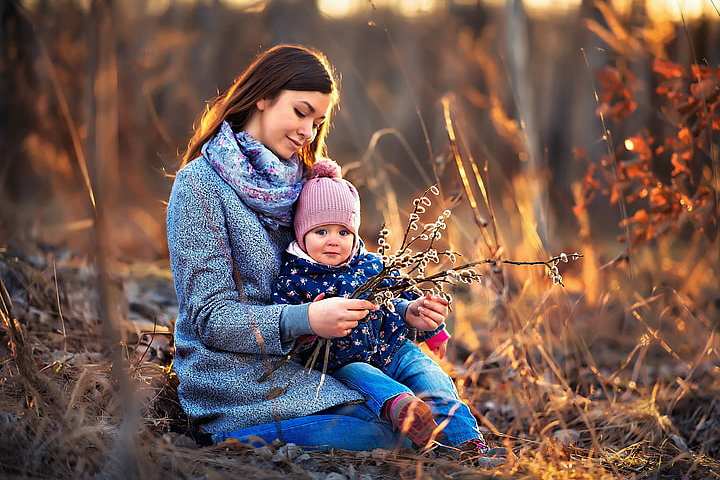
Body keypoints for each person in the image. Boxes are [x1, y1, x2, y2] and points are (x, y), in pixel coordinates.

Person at [167, 44, 409, 451]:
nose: (308, 132)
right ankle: (226, 438)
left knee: (424, 407)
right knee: (386, 434)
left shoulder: (308, 185)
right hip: (235, 381)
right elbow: (210, 316)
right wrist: (305, 319)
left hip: (321, 367)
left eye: (318, 121)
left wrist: (407, 309)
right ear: (262, 96)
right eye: (300, 112)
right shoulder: (199, 186)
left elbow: (350, 270)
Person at [271, 159, 490, 458]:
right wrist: (309, 322)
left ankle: (466, 441)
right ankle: (403, 408)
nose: (334, 241)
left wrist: (428, 324)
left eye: (343, 232)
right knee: (366, 377)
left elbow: (401, 299)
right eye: (322, 232)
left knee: (431, 375)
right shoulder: (294, 278)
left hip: (395, 350)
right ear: (301, 233)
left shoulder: (371, 265)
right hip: (342, 361)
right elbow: (286, 330)